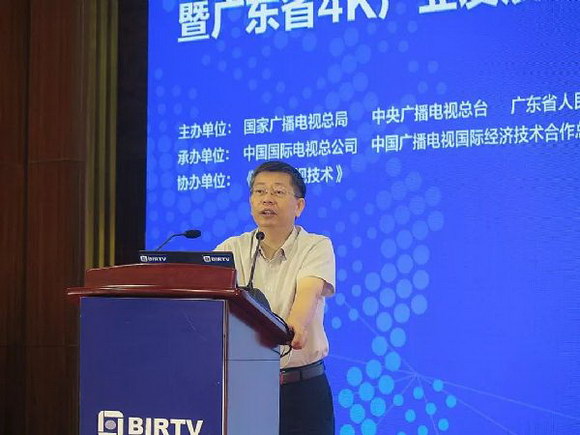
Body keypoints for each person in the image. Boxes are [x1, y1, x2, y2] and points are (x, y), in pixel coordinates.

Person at [216, 160, 336, 435]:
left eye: (278, 192)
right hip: (245, 389)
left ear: (299, 206)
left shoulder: (315, 246)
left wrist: (295, 328)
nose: (267, 199)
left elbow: (308, 292)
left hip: (302, 390)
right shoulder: (230, 249)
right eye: (259, 191)